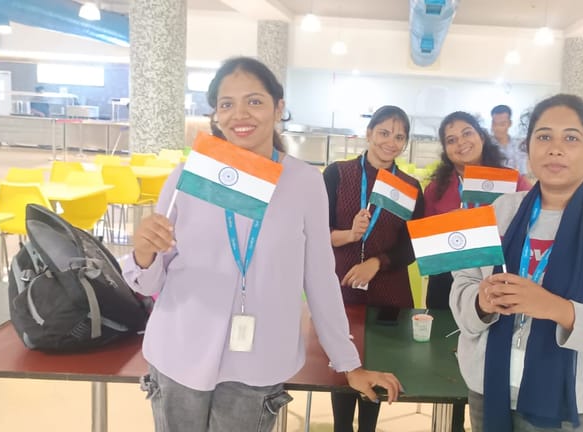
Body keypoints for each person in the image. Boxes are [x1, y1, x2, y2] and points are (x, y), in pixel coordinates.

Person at [123, 57, 402, 432]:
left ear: (279, 107)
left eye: (254, 100)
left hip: (258, 360)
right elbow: (150, 282)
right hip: (180, 352)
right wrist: (143, 253)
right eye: (226, 104)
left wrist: (348, 363)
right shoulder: (190, 175)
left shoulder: (303, 182)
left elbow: (320, 277)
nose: (240, 113)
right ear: (216, 115)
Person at [450, 94, 583, 432]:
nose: (555, 148)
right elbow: (462, 291)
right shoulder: (497, 212)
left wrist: (557, 309)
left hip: (581, 406)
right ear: (529, 145)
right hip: (491, 393)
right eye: (544, 136)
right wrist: (481, 302)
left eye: (571, 138)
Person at [423, 111, 531, 431]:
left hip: (498, 282)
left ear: (481, 137)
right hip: (448, 281)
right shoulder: (437, 190)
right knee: (443, 363)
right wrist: (455, 227)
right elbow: (427, 241)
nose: (461, 143)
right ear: (446, 149)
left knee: (483, 364)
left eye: (467, 133)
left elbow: (532, 223)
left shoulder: (513, 182)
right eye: (451, 139)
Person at [323, 105, 425, 432]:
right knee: (342, 367)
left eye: (399, 137)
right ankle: (341, 427)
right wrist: (348, 235)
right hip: (342, 286)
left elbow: (411, 244)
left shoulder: (409, 187)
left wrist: (376, 263)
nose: (390, 142)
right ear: (369, 134)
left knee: (379, 371)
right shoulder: (337, 174)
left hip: (388, 290)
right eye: (383, 133)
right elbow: (314, 232)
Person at [491, 105, 528, 175]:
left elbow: (523, 173)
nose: (497, 128)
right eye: (494, 123)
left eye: (502, 124)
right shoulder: (486, 145)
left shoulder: (519, 146)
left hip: (516, 183)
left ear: (510, 123)